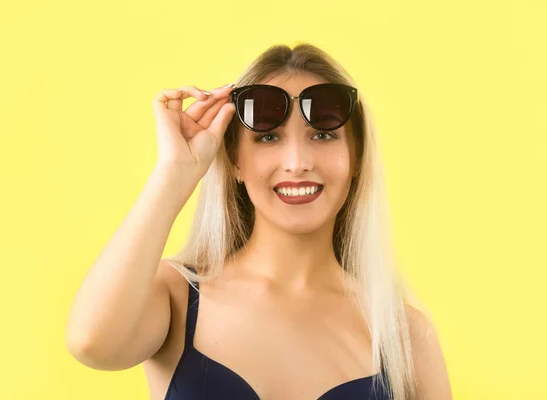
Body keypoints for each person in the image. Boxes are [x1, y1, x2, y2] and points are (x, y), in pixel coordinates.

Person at [65, 43, 452, 400]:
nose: (298, 162)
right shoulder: (177, 296)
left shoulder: (405, 337)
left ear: (356, 158)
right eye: (268, 138)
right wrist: (173, 174)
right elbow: (91, 343)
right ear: (234, 159)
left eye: (322, 135)